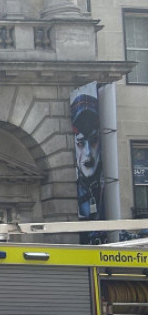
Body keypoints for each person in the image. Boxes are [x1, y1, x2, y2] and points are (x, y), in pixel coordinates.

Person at [71, 92, 104, 221]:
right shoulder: (76, 190)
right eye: (80, 143)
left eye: (93, 141)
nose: (88, 152)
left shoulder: (109, 190)